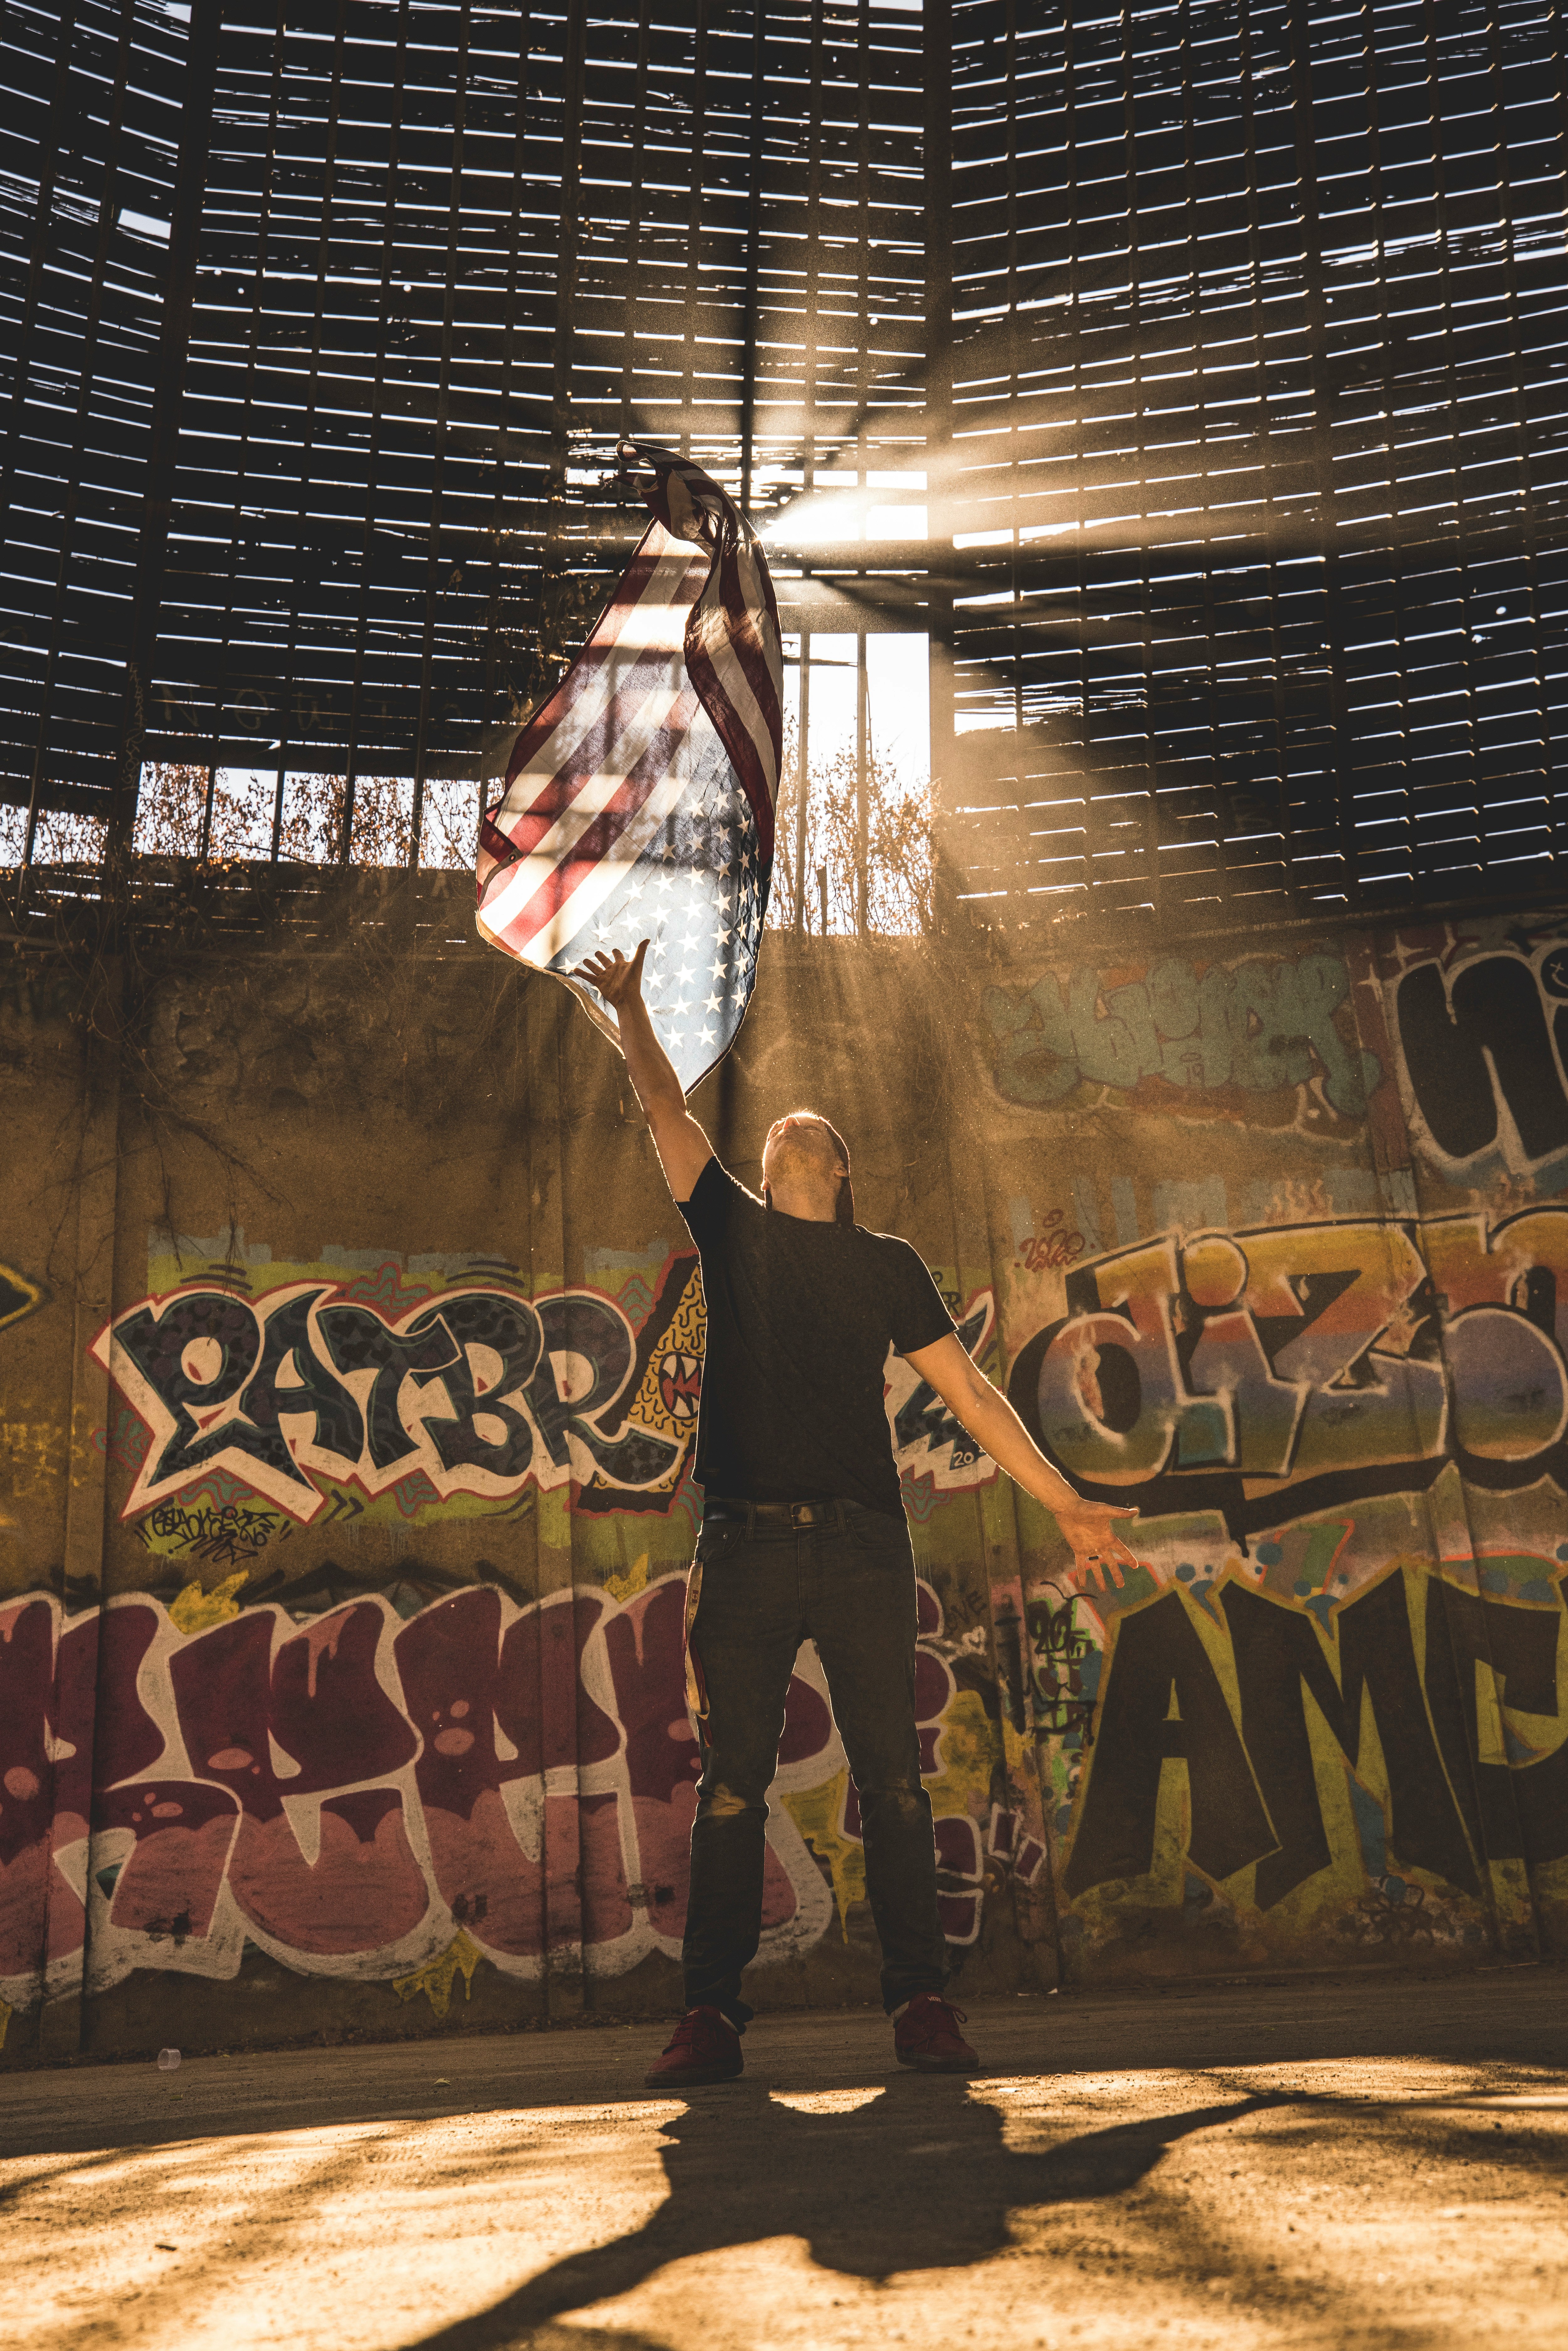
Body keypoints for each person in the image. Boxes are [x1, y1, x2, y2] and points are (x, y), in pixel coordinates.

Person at [574, 939, 1140, 2087]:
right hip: (741, 1546)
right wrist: (632, 1008)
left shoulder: (886, 1266)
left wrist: (1068, 1503)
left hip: (860, 1547)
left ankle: (922, 2005)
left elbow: (972, 1395)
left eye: (807, 1132)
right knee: (733, 1782)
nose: (785, 1131)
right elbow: (658, 1108)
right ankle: (711, 2018)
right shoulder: (729, 1231)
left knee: (892, 1779)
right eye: (775, 1130)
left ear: (837, 1167)